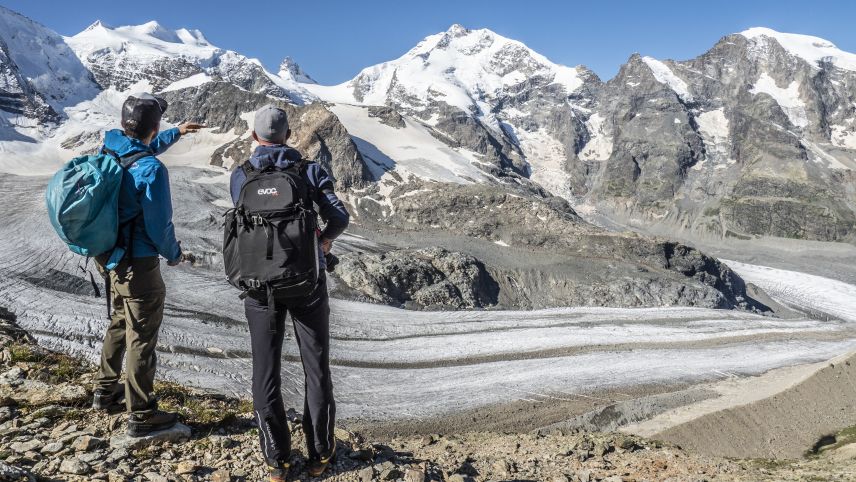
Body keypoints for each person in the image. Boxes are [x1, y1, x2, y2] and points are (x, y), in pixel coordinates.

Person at [229, 105, 349, 481]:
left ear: (254, 136)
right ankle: (320, 454)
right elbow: (339, 216)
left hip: (258, 287)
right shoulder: (309, 171)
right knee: (316, 368)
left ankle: (276, 461)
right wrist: (323, 240)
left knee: (265, 372)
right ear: (289, 135)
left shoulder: (241, 175)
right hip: (306, 283)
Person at [91, 93, 204, 437]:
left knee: (119, 319)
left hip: (108, 256)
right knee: (142, 333)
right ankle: (141, 413)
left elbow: (142, 149)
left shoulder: (110, 149)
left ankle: (104, 391)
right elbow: (159, 226)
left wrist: (177, 132)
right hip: (138, 263)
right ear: (154, 127)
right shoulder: (152, 170)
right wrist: (174, 254)